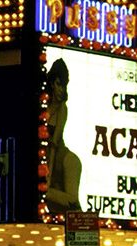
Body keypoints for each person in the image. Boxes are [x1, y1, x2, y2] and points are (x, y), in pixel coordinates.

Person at [44, 58, 83, 213]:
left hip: (57, 154)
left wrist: (49, 176)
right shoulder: (43, 104)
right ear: (52, 83)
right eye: (59, 84)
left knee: (71, 199)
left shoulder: (62, 108)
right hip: (44, 152)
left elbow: (54, 142)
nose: (61, 89)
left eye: (64, 85)